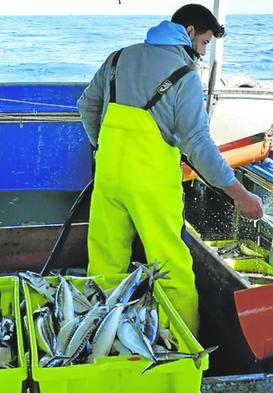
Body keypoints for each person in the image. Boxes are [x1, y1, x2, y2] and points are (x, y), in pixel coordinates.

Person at [77, 4, 263, 335]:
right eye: (205, 43)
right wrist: (239, 194)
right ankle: (182, 347)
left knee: (105, 258)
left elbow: (86, 105)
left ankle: (97, 338)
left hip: (107, 175)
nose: (203, 53)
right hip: (150, 183)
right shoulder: (184, 74)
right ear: (189, 32)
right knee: (170, 263)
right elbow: (198, 145)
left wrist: (100, 146)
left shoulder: (119, 58)